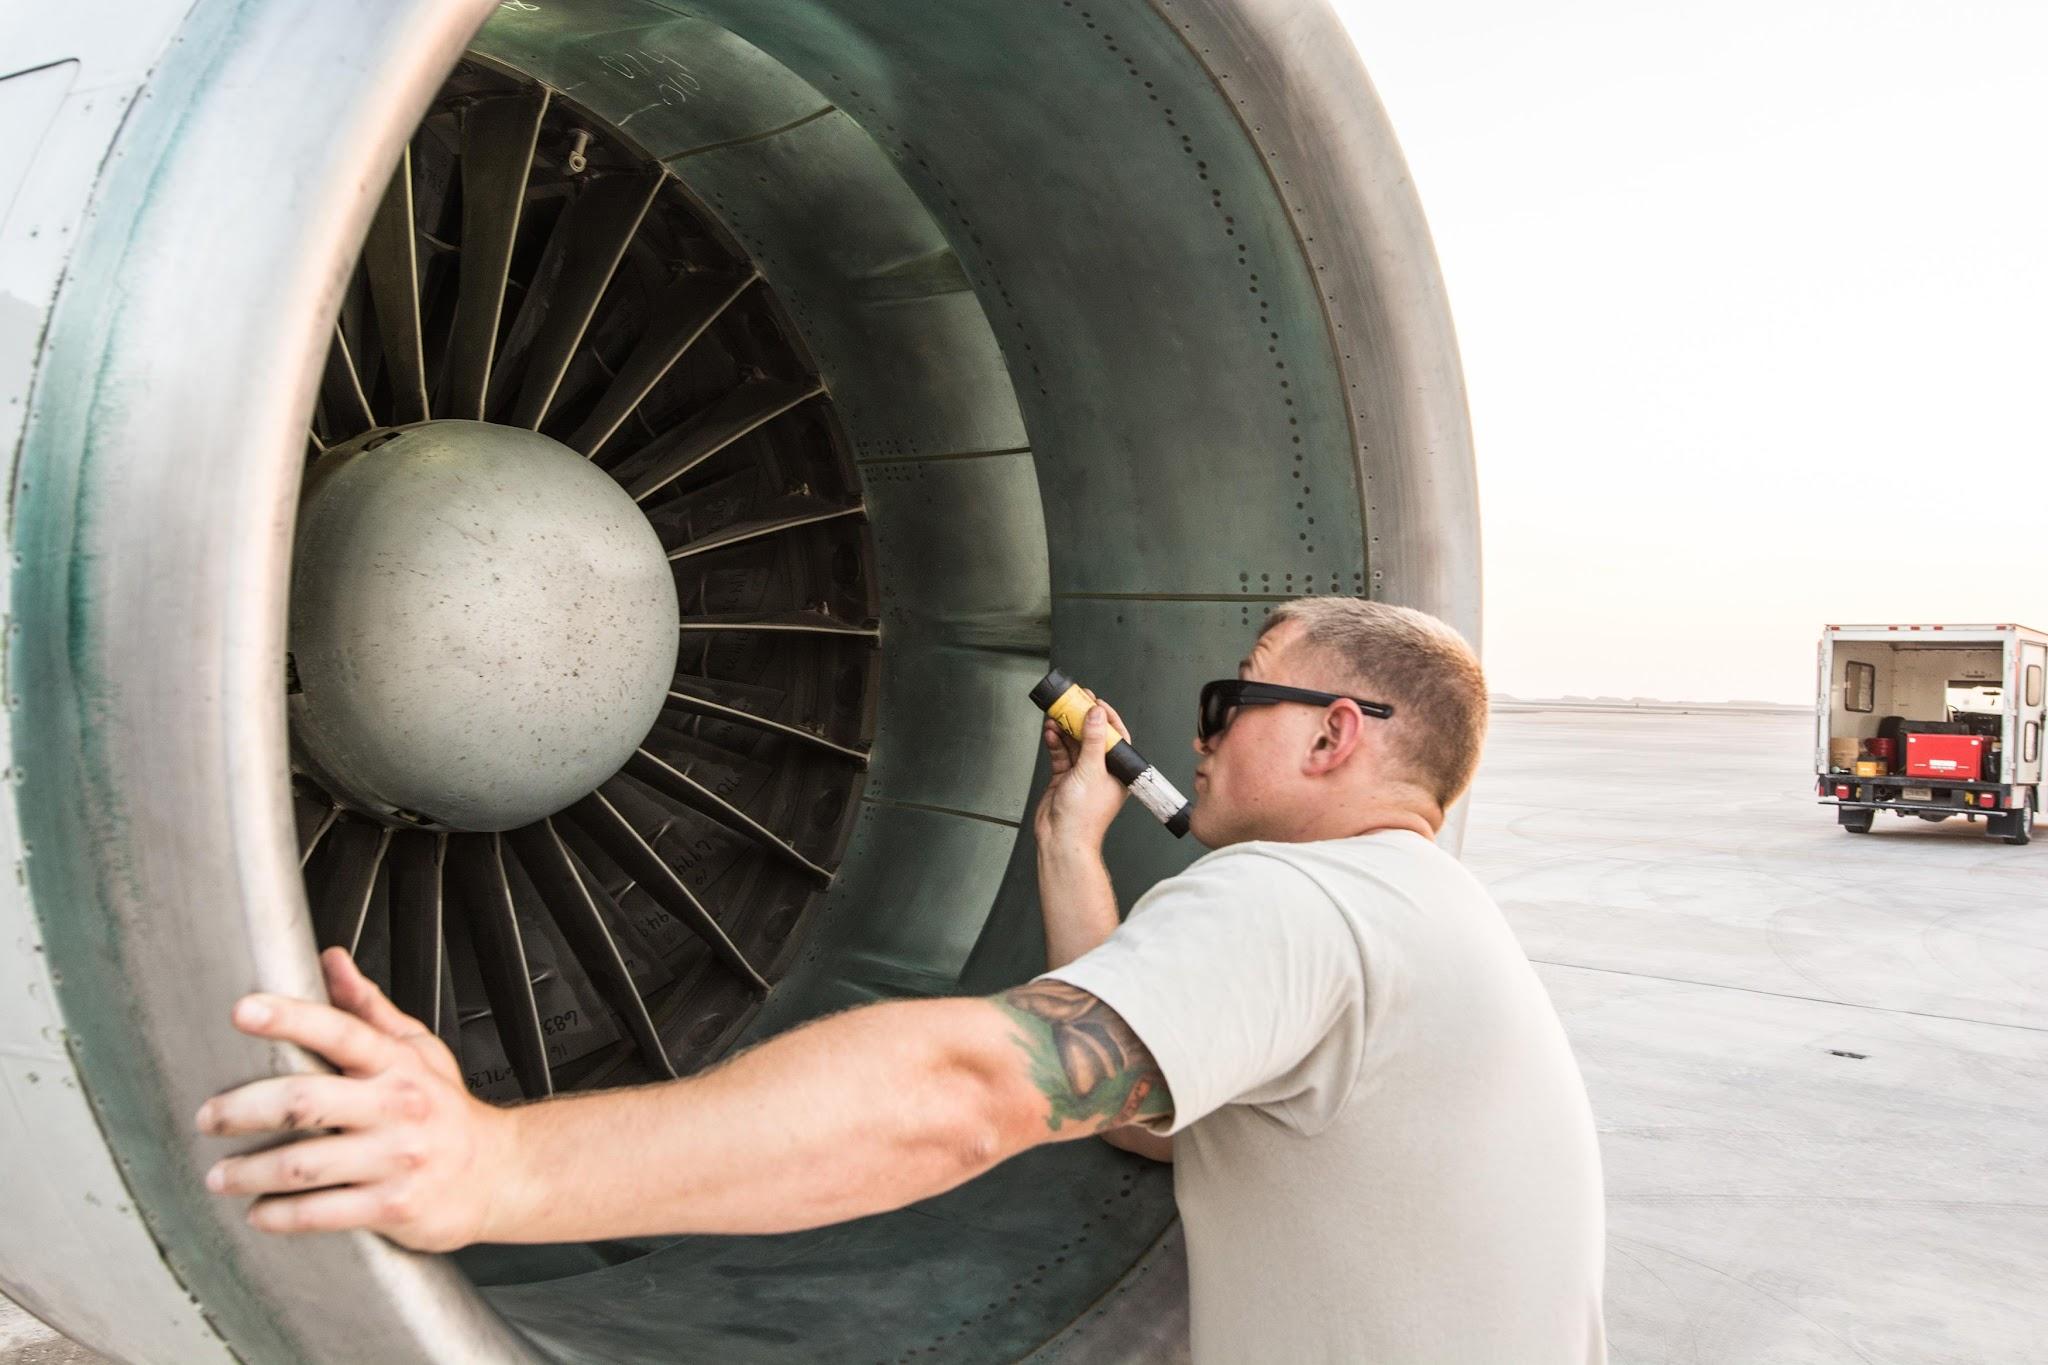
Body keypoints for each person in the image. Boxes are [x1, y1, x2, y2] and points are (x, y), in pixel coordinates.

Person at [198, 597, 1606, 1362]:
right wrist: (1069, 841)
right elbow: (1129, 1109)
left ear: (1336, 737)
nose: (1208, 731)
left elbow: (971, 1089)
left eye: (1234, 703)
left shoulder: (1303, 902)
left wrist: (497, 1169)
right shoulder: (1418, 913)